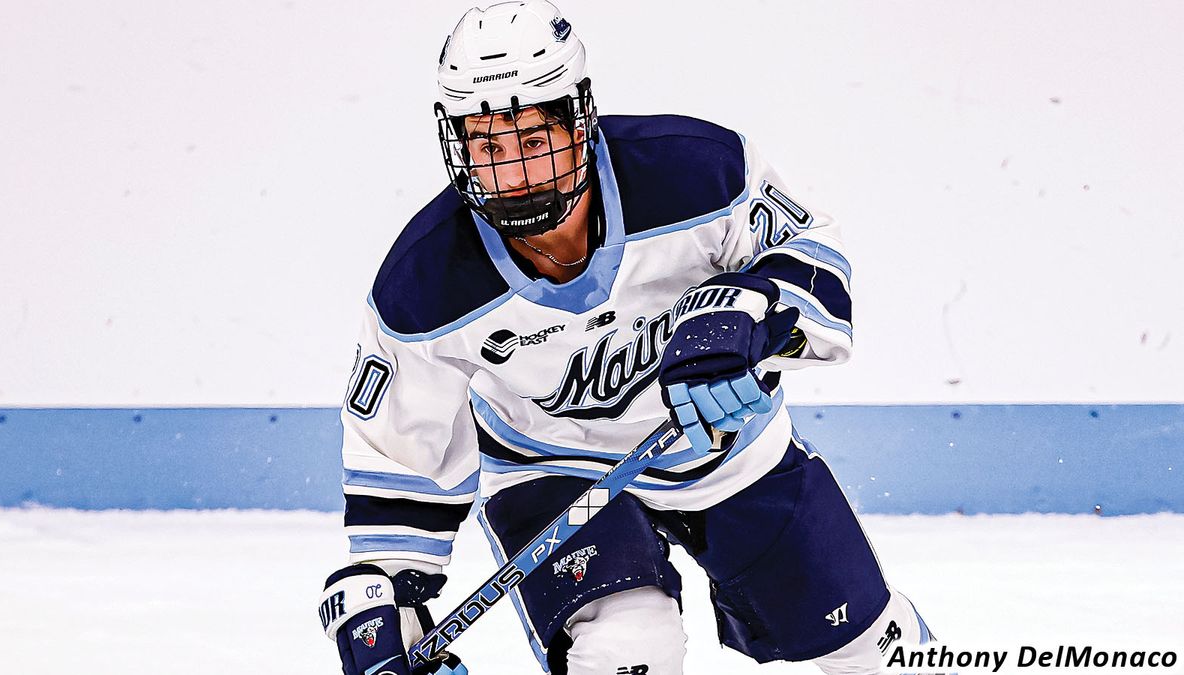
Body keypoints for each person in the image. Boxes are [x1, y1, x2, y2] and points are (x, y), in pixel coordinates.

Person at [318, 2, 932, 674]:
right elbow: (400, 453)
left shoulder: (699, 174)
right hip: (554, 472)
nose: (514, 174)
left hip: (727, 451)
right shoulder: (423, 283)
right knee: (626, 653)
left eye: (532, 141)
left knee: (877, 649)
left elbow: (812, 249)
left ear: (578, 120)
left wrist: (748, 308)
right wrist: (390, 602)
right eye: (488, 147)